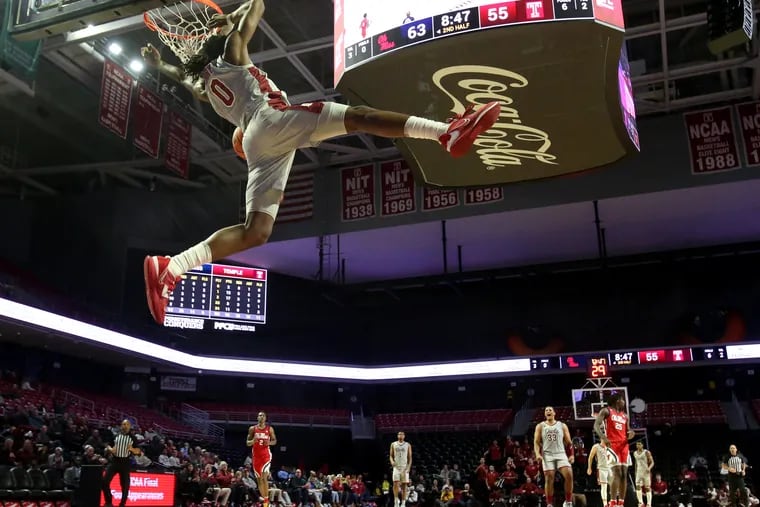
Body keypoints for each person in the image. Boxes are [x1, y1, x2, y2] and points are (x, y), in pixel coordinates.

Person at [140, 0, 501, 325]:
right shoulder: (232, 52)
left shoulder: (205, 82)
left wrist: (161, 66)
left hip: (256, 141)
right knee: (358, 116)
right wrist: (232, 18)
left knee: (256, 231)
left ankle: (173, 266)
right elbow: (258, 9)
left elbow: (185, 78)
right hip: (270, 119)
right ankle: (445, 132)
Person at [594, 395, 636, 507]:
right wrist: (603, 437)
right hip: (612, 444)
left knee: (624, 474)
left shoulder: (625, 416)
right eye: (622, 400)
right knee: (616, 472)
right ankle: (612, 501)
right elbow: (596, 425)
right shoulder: (606, 411)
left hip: (624, 445)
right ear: (617, 401)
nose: (623, 402)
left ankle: (621, 502)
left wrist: (631, 433)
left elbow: (628, 430)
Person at [534, 406, 574, 507]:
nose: (548, 411)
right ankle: (549, 503)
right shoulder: (540, 426)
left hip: (561, 453)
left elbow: (569, 443)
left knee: (569, 475)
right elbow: (536, 442)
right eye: (546, 410)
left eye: (550, 410)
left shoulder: (562, 425)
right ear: (544, 414)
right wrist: (538, 454)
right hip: (548, 455)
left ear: (554, 413)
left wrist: (572, 455)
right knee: (549, 478)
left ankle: (568, 501)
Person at [102, 419, 142, 507]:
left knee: (125, 486)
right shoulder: (116, 436)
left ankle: (122, 504)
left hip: (125, 463)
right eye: (123, 424)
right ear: (121, 426)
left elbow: (139, 452)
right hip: (114, 461)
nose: (125, 426)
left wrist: (132, 449)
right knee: (104, 482)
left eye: (127, 424)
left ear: (130, 427)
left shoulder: (133, 438)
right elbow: (108, 445)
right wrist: (110, 449)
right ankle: (108, 501)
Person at [247, 411, 278, 507]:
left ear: (265, 418)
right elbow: (247, 443)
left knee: (264, 478)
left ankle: (266, 501)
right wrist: (253, 441)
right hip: (256, 457)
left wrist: (268, 443)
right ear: (257, 417)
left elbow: (275, 441)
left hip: (266, 456)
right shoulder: (252, 429)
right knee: (259, 480)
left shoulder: (270, 429)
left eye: (263, 415)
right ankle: (265, 500)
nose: (261, 417)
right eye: (260, 415)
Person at [390, 431, 412, 507]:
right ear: (397, 436)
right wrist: (392, 462)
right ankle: (396, 501)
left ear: (404, 436)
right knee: (395, 483)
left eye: (402, 434)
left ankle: (403, 503)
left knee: (404, 486)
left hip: (404, 467)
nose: (400, 435)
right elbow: (391, 456)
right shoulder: (393, 444)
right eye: (399, 434)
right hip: (396, 467)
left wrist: (409, 467)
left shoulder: (407, 445)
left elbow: (410, 457)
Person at [587, 440, 611, 507]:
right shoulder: (596, 446)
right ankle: (605, 504)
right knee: (604, 487)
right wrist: (589, 468)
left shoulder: (609, 447)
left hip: (610, 468)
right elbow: (590, 457)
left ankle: (612, 502)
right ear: (601, 438)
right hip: (601, 469)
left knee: (613, 486)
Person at [633, 441, 654, 507]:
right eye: (637, 444)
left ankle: (649, 504)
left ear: (642, 445)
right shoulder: (635, 453)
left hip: (645, 472)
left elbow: (652, 462)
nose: (638, 445)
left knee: (647, 488)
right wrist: (635, 472)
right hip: (639, 472)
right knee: (638, 486)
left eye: (639, 444)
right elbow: (636, 463)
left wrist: (649, 468)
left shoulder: (646, 452)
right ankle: (640, 502)